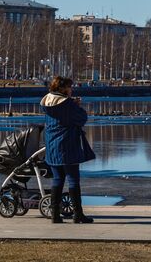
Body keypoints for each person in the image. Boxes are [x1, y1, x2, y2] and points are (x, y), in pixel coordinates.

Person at [41, 76, 95, 224]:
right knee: (73, 180)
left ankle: (55, 215)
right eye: (70, 87)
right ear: (63, 89)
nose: (71, 90)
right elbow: (82, 118)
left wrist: (73, 104)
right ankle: (78, 214)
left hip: (52, 146)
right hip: (68, 145)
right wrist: (76, 106)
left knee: (57, 179)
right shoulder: (68, 105)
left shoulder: (47, 103)